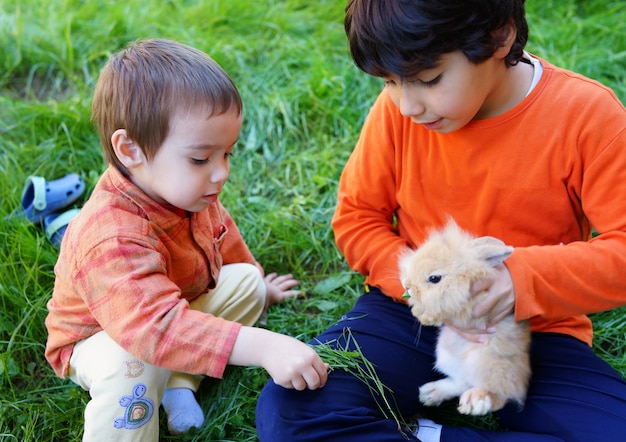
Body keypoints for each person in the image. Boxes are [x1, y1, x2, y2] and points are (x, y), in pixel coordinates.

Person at [256, 0, 626, 440]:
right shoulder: (395, 112)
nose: (407, 104)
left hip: (534, 332)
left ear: (499, 37)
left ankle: (425, 435)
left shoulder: (587, 115)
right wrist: (427, 292)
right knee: (290, 411)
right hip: (408, 316)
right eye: (391, 82)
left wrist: (519, 282)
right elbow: (357, 218)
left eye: (429, 80)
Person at [44, 38, 329, 441]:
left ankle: (179, 382)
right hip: (105, 340)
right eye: (201, 158)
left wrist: (258, 284)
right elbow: (154, 329)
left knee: (246, 282)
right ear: (131, 150)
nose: (220, 173)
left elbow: (224, 238)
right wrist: (265, 347)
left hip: (169, 309)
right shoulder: (111, 235)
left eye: (226, 154)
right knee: (133, 367)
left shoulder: (186, 189)